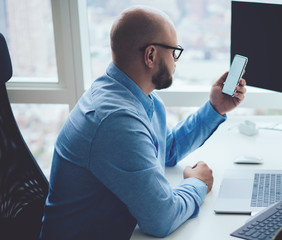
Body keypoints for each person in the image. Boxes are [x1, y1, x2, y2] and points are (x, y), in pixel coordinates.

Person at [40, 5, 246, 240]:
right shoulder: (116, 120)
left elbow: (166, 149)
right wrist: (197, 183)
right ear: (151, 55)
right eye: (174, 51)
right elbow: (162, 219)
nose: (176, 61)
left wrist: (215, 108)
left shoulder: (140, 97)